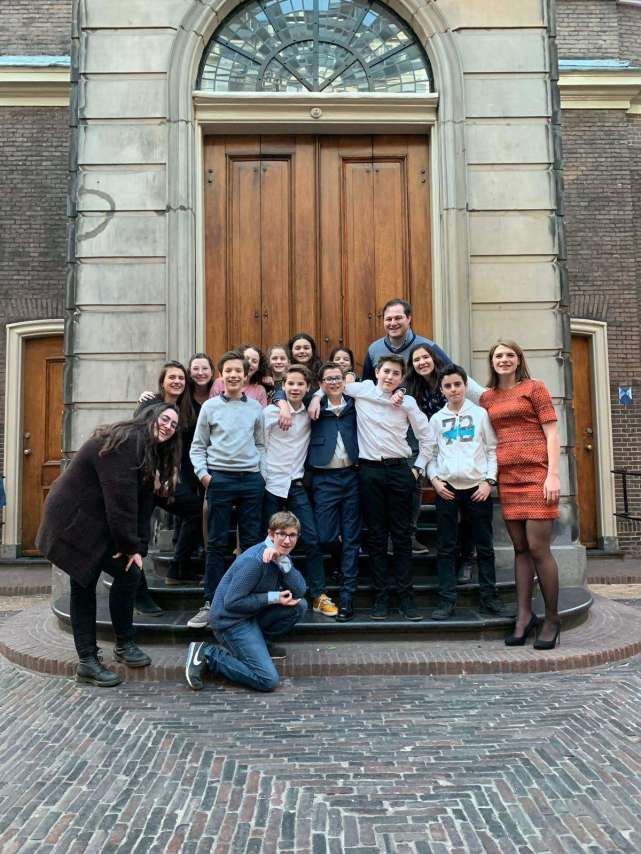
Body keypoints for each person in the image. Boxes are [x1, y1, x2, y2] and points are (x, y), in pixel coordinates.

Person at [36, 404, 181, 687]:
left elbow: (143, 504)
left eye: (174, 425)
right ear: (150, 417)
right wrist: (129, 547)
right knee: (85, 582)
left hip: (94, 520)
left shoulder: (149, 450)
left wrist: (138, 548)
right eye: (165, 419)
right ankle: (88, 662)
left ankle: (123, 645)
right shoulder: (128, 441)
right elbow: (121, 502)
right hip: (72, 520)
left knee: (129, 574)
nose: (168, 426)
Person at [340, 355, 436, 621]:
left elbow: (427, 437)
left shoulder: (407, 402)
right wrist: (323, 394)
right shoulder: (362, 391)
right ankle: (380, 597)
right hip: (369, 472)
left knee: (402, 537)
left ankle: (406, 597)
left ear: (402, 378)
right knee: (377, 536)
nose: (389, 377)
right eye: (386, 371)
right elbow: (334, 386)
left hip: (399, 471)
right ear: (377, 372)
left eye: (396, 373)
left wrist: (418, 468)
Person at [480, 340, 561, 650]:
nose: (504, 359)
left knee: (539, 548)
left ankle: (551, 620)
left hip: (538, 476)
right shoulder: (487, 397)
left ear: (518, 360)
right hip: (508, 479)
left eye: (509, 355)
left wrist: (553, 475)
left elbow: (552, 433)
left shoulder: (535, 388)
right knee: (520, 548)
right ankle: (524, 617)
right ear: (492, 362)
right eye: (498, 355)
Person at [185, 511, 307, 692]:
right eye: (282, 534)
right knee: (267, 680)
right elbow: (232, 603)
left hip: (251, 615)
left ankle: (259, 644)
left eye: (292, 535)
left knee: (300, 605)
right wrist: (274, 597)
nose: (287, 541)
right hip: (231, 622)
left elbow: (300, 590)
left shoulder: (282, 555)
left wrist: (283, 562)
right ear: (271, 534)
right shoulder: (254, 560)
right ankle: (208, 653)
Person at [427, 365, 505, 620]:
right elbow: (431, 455)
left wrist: (489, 481)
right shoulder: (436, 420)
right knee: (446, 547)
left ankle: (489, 597)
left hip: (477, 489)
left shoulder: (481, 415)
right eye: (447, 386)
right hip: (447, 490)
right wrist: (435, 481)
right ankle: (447, 600)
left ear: (465, 386)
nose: (453, 390)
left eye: (457, 384)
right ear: (442, 390)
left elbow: (492, 450)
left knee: (484, 546)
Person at [262, 365, 338, 617]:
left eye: (300, 384)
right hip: (270, 484)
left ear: (307, 387)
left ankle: (318, 595)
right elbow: (258, 444)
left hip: (295, 484)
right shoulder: (270, 412)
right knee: (267, 543)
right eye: (290, 384)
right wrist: (281, 404)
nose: (295, 388)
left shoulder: (310, 412)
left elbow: (332, 388)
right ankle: (268, 595)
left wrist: (316, 397)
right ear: (283, 386)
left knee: (312, 539)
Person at [405, 343, 485, 572]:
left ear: (434, 358)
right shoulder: (411, 386)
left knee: (466, 510)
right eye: (416, 360)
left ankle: (467, 557)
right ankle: (421, 542)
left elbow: (484, 397)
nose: (422, 362)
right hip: (434, 448)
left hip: (463, 448)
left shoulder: (452, 378)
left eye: (425, 357)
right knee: (445, 506)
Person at [135, 360, 204, 596]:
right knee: (140, 535)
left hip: (165, 481)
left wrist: (171, 475)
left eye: (181, 378)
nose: (177, 381)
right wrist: (154, 474)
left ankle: (177, 570)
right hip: (144, 480)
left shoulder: (186, 409)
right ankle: (138, 593)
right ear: (162, 382)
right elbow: (142, 442)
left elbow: (178, 448)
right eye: (172, 377)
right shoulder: (149, 404)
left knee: (197, 510)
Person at [308, 362, 361, 621]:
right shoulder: (314, 406)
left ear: (345, 380)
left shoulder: (356, 405)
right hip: (324, 479)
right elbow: (282, 394)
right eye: (328, 379)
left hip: (352, 477)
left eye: (337, 378)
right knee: (325, 536)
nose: (334, 382)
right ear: (320, 384)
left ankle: (348, 597)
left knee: (351, 538)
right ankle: (338, 562)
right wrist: (315, 397)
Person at [361, 298, 451, 381]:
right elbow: (367, 385)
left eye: (398, 318)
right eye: (388, 319)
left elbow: (452, 376)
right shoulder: (374, 349)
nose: (393, 323)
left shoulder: (429, 347)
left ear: (409, 319)